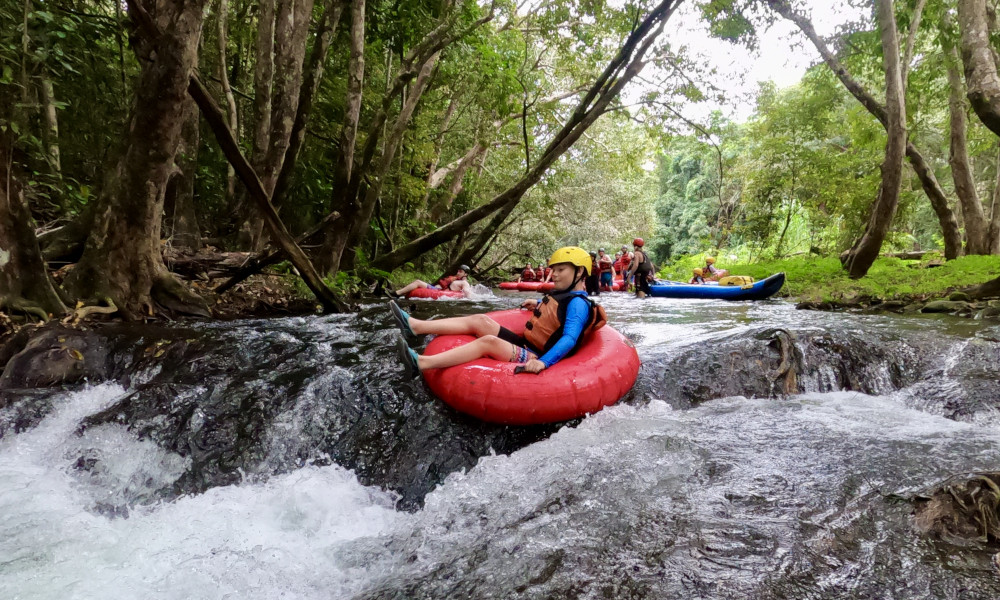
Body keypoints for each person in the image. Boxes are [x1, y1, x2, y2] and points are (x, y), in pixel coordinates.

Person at [389, 247, 607, 378]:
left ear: (579, 272)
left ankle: (422, 363)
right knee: (480, 320)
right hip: (527, 344)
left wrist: (543, 362)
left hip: (537, 355)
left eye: (561, 270)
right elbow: (555, 308)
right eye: (554, 270)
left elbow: (569, 338)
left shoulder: (579, 304)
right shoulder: (563, 295)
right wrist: (538, 302)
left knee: (488, 342)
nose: (555, 274)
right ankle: (415, 326)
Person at [390, 265, 473, 298]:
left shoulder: (464, 283)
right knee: (417, 283)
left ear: (465, 274)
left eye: (460, 271)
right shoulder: (455, 279)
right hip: (436, 289)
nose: (458, 272)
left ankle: (397, 293)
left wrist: (469, 301)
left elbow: (467, 292)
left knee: (418, 282)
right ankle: (399, 294)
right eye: (458, 271)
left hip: (438, 291)